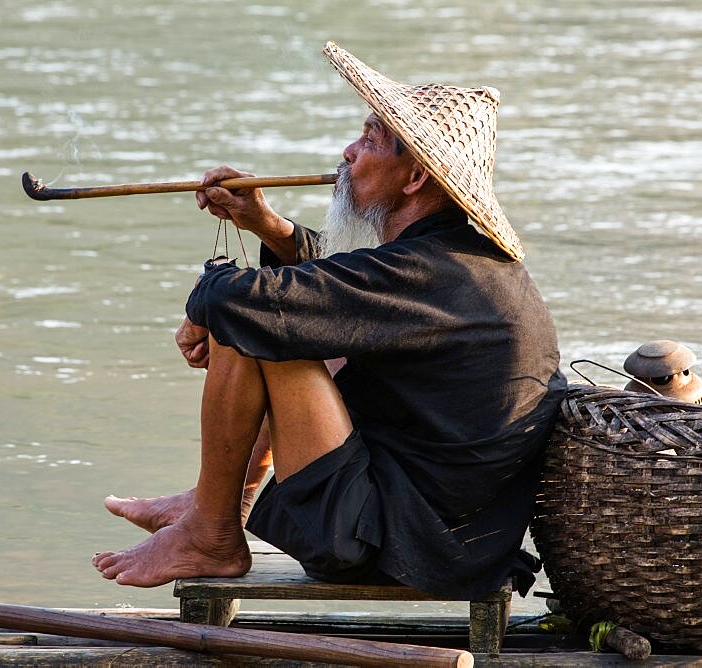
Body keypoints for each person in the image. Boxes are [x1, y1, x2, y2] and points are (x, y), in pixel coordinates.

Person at [92, 41, 566, 600]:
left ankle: (212, 531)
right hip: (432, 532)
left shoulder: (435, 275)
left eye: (369, 140)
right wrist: (268, 226)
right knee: (278, 312)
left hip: (398, 544)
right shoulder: (451, 263)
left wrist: (204, 309)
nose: (348, 152)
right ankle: (215, 503)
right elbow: (347, 291)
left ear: (414, 178)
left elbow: (260, 301)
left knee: (257, 317)